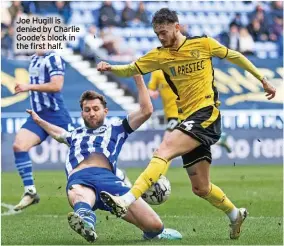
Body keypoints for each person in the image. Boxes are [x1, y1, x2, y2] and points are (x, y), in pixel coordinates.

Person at [97, 8, 276, 240]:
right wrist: (110, 68)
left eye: (164, 32)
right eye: (157, 34)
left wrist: (262, 79)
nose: (161, 37)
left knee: (164, 148)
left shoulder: (203, 44)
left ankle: (127, 199)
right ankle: (234, 214)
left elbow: (235, 56)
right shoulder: (160, 55)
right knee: (201, 187)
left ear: (176, 27)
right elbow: (132, 68)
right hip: (188, 119)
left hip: (207, 113)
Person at [25, 75, 182, 242]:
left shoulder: (117, 128)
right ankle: (87, 223)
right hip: (80, 178)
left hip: (110, 181)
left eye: (95, 109)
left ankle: (149, 232)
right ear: (82, 113)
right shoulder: (75, 134)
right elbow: (57, 133)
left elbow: (146, 110)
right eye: (87, 110)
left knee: (156, 226)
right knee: (80, 195)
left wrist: (137, 77)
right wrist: (39, 121)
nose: (91, 113)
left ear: (105, 111)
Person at [13, 49, 131, 211]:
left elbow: (56, 85)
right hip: (37, 114)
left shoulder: (53, 58)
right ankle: (30, 191)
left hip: (56, 115)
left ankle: (116, 175)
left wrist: (28, 86)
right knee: (19, 146)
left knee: (85, 149)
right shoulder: (33, 59)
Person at [148, 70, 232, 153]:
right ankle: (219, 140)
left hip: (180, 112)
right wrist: (152, 93)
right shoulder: (156, 72)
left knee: (167, 143)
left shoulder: (179, 68)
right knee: (186, 140)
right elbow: (150, 89)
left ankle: (159, 162)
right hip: (170, 113)